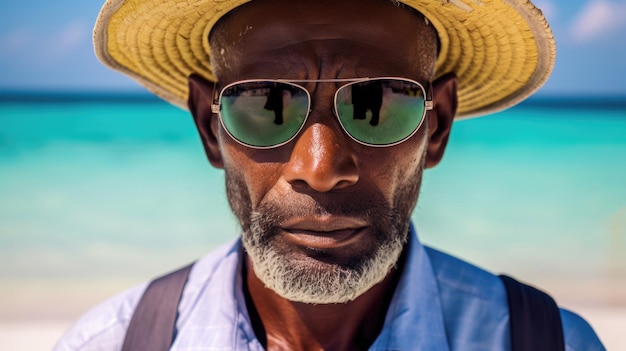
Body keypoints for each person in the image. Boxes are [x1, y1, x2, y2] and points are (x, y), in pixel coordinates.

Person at [55, 0, 605, 350]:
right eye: (265, 105)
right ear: (209, 126)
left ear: (436, 129)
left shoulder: (543, 341)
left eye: (376, 105)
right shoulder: (112, 342)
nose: (319, 169)